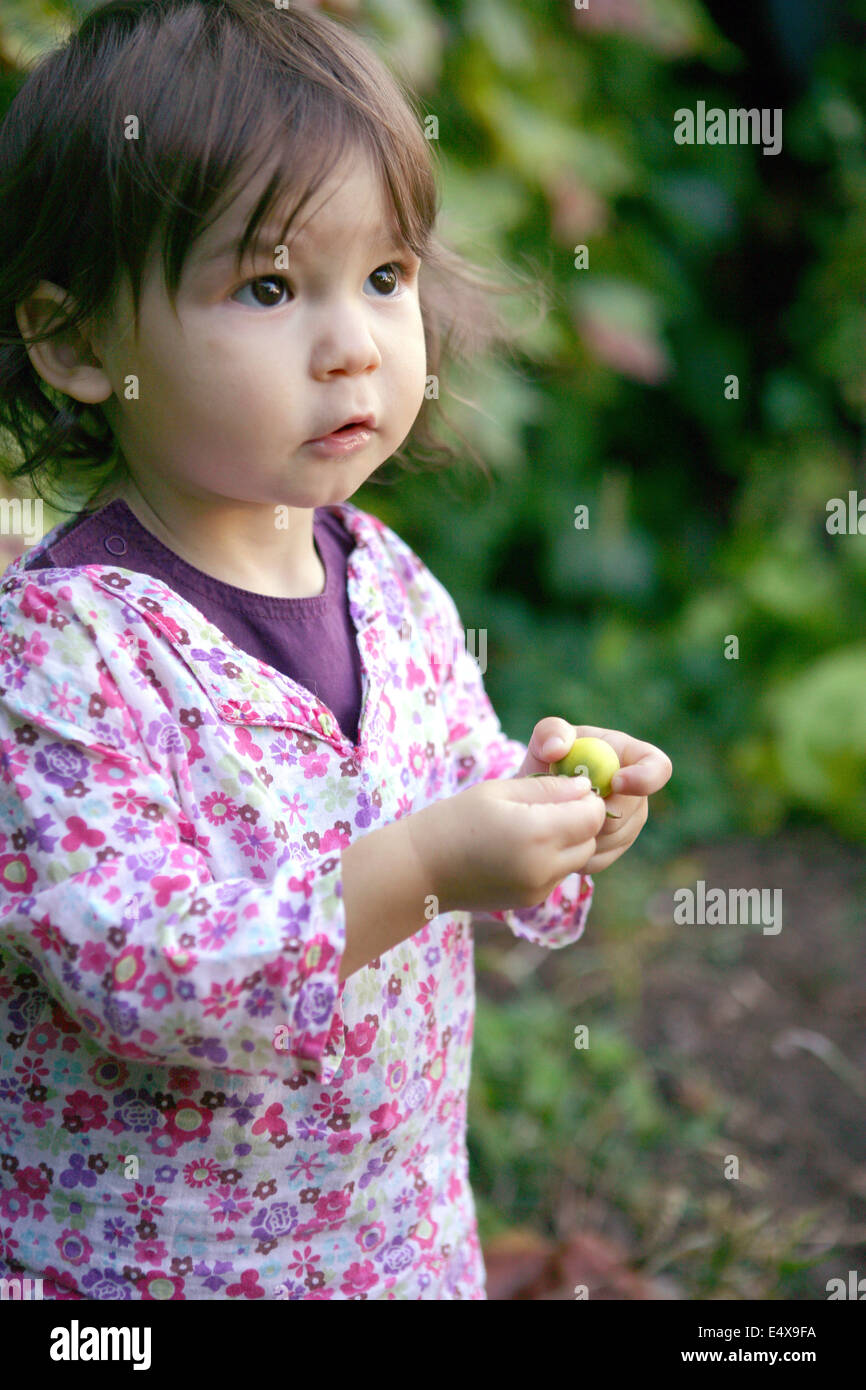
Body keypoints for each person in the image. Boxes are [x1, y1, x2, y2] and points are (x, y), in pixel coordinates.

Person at [0, 0, 671, 1300]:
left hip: (392, 1239)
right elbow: (146, 970)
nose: (355, 342)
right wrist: (424, 866)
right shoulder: (64, 651)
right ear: (81, 342)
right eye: (267, 286)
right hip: (153, 1268)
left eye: (385, 276)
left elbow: (441, 785)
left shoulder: (385, 579)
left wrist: (547, 807)